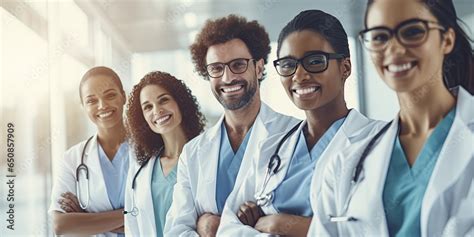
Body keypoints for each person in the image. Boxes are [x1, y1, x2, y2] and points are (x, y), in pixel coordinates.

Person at [312, 0, 474, 236]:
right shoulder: (345, 165)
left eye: (413, 32)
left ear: (447, 40)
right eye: (379, 37)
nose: (394, 49)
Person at [218, 10, 385, 236]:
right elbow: (228, 228)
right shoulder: (271, 149)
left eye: (315, 61)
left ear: (345, 67)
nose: (299, 75)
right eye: (288, 65)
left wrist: (281, 224)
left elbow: (373, 228)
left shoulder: (379, 142)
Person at [164, 14, 298, 236]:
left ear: (259, 67)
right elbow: (176, 230)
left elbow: (303, 222)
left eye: (238, 65)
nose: (227, 78)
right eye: (216, 68)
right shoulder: (193, 153)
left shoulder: (295, 135)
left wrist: (213, 228)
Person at [49, 66, 130, 236]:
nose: (102, 106)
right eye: (92, 101)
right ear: (83, 106)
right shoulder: (73, 158)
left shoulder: (151, 149)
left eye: (110, 95)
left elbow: (161, 214)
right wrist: (133, 215)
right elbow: (61, 225)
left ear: (123, 96)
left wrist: (86, 218)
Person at [124, 71, 205, 236]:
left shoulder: (205, 157)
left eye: (164, 100)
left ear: (180, 103)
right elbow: (132, 228)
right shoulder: (140, 170)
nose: (157, 110)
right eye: (148, 107)